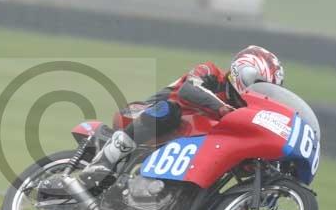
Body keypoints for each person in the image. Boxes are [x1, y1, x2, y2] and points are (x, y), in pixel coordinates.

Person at [80, 45, 285, 182]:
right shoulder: (210, 72)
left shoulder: (244, 110)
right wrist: (222, 108)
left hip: (182, 143)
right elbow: (188, 89)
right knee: (169, 111)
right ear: (242, 71)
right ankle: (103, 162)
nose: (259, 90)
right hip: (146, 115)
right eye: (258, 83)